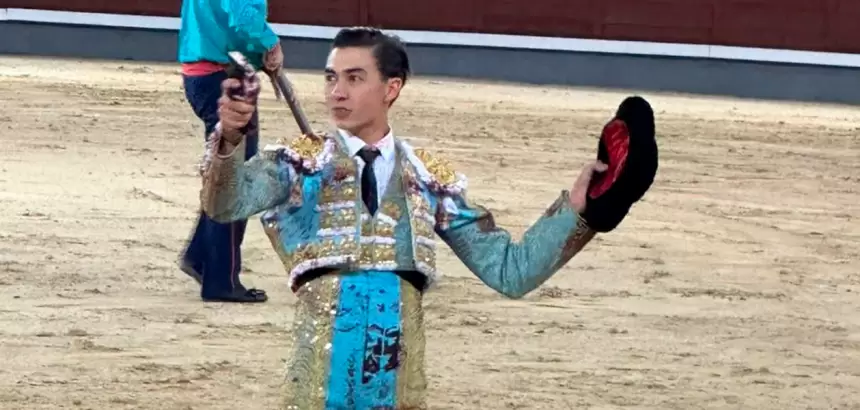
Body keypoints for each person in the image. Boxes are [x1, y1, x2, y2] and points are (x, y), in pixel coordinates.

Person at [201, 27, 655, 409]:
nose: (337, 91)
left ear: (391, 88)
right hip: (318, 374)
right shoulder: (296, 162)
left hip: (397, 374)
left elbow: (510, 271)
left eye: (355, 78)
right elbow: (223, 206)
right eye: (331, 77)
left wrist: (579, 210)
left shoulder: (428, 179)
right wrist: (230, 138)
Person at [176, 0, 284, 302]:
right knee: (234, 179)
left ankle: (201, 258)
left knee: (227, 175)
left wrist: (257, 54)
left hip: (207, 72)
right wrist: (270, 43)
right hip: (220, 76)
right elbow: (241, 15)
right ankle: (221, 279)